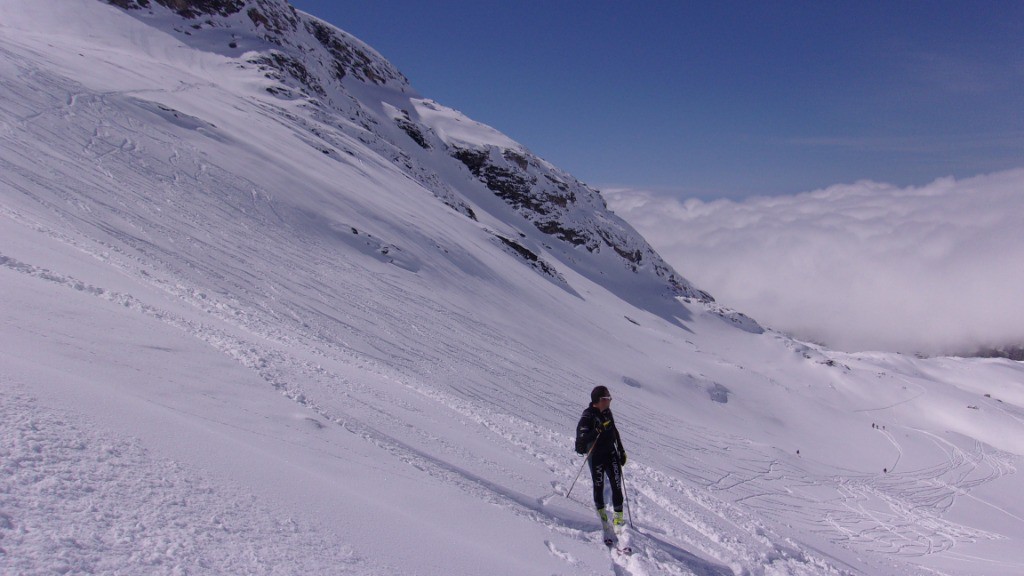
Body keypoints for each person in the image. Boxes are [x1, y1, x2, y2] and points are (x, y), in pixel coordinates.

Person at [575, 385, 627, 531]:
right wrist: (597, 430)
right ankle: (601, 514)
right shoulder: (588, 415)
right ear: (599, 400)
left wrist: (621, 451)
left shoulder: (607, 412)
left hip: (611, 454)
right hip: (596, 455)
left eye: (609, 397)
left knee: (616, 485)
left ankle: (618, 518)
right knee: (598, 485)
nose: (610, 400)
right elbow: (582, 438)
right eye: (607, 398)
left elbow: (614, 432)